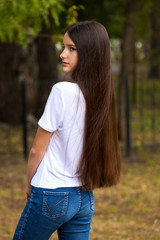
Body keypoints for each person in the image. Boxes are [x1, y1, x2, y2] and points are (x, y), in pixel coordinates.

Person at [13, 21, 121, 240]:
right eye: (63, 47)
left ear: (90, 54)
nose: (63, 54)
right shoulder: (101, 97)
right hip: (84, 197)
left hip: (51, 192)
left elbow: (36, 151)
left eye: (72, 49)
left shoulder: (62, 91)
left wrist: (29, 186)